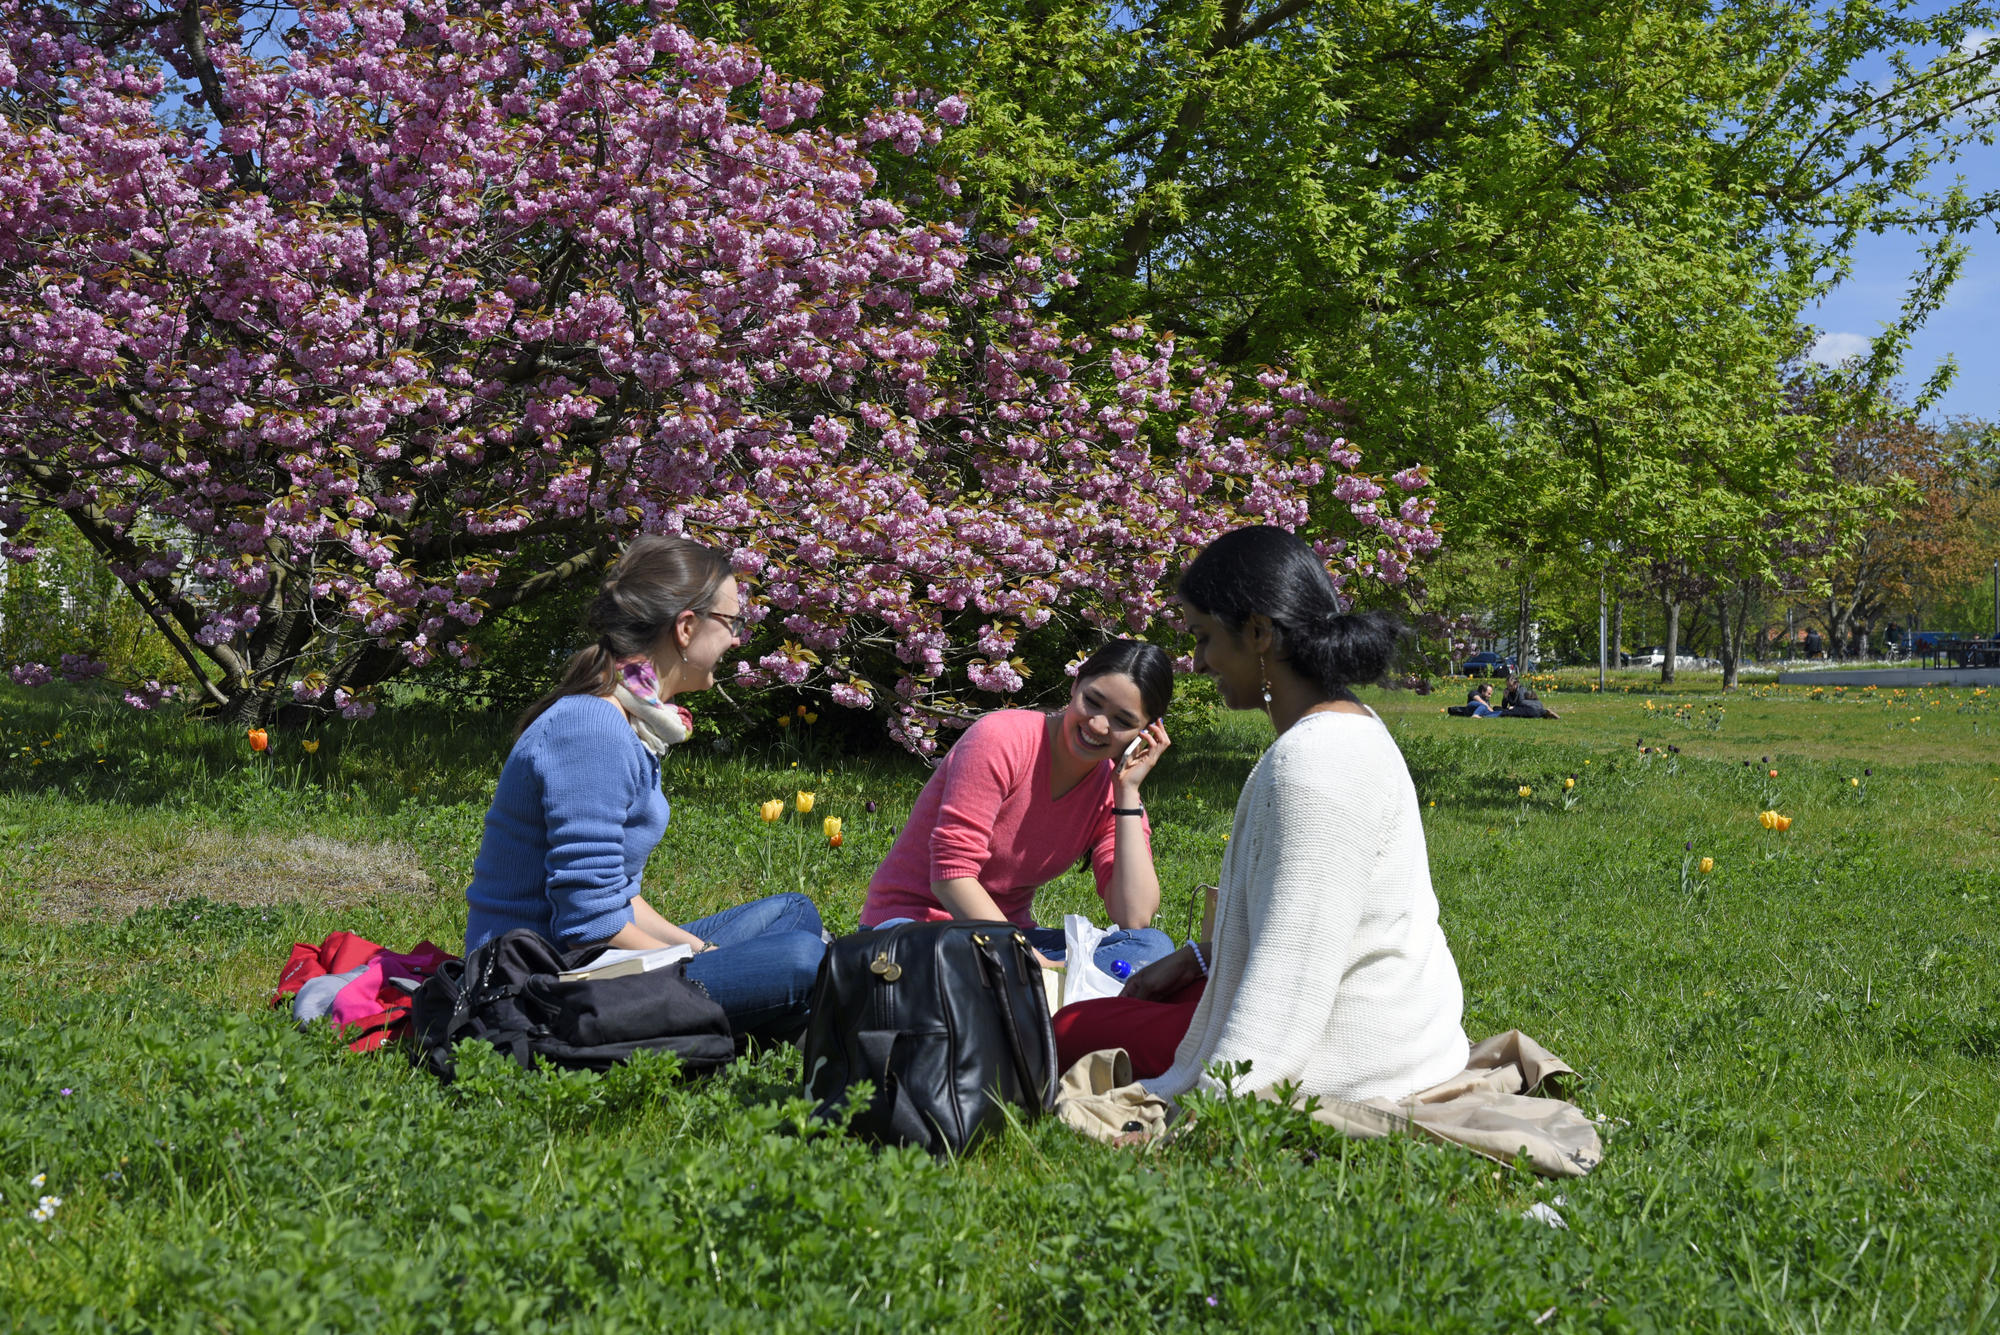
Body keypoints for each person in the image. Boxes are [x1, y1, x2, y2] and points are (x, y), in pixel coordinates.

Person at [1051, 525, 1470, 1101]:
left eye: (1203, 637)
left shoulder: (1316, 764)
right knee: (1135, 1003)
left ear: (1258, 633)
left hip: (1359, 1051)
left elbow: (1293, 977)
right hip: (1397, 1030)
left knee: (1068, 1030)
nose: (1199, 662)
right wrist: (1197, 958)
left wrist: (1218, 1105)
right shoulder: (1346, 725)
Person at [463, 536, 826, 1043]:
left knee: (793, 912)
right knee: (803, 958)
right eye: (733, 623)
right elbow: (589, 925)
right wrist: (694, 957)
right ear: (686, 627)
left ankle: (772, 1016)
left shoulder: (630, 718)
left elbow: (619, 899)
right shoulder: (592, 730)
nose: (738, 640)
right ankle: (788, 1019)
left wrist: (701, 953)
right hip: (540, 985)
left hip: (589, 959)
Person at [859, 640, 1179, 977]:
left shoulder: (1111, 790)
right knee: (964, 969)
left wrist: (1127, 793)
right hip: (917, 930)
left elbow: (1135, 916)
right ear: (1075, 685)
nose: (1099, 725)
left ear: (1146, 732)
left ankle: (1030, 994)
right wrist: (1030, 961)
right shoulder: (1002, 738)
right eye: (1093, 701)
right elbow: (952, 877)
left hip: (1010, 939)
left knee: (1152, 949)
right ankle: (1041, 996)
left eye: (1122, 720)